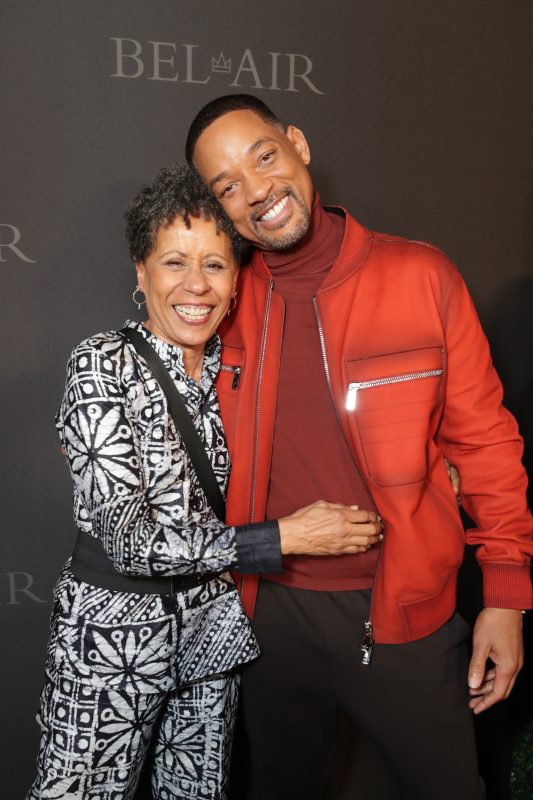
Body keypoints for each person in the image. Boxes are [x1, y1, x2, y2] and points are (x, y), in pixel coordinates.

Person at [185, 95, 533, 799]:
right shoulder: (220, 305)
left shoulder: (421, 276)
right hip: (270, 617)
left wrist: (505, 595)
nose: (257, 192)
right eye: (227, 187)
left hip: (406, 610)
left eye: (264, 157)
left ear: (298, 144)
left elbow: (485, 441)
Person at [27, 165, 383, 800]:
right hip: (112, 639)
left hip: (213, 630)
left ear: (236, 282)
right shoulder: (101, 364)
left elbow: (312, 441)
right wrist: (283, 538)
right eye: (174, 263)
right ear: (141, 273)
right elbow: (130, 542)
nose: (196, 284)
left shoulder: (236, 368)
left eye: (215, 265)